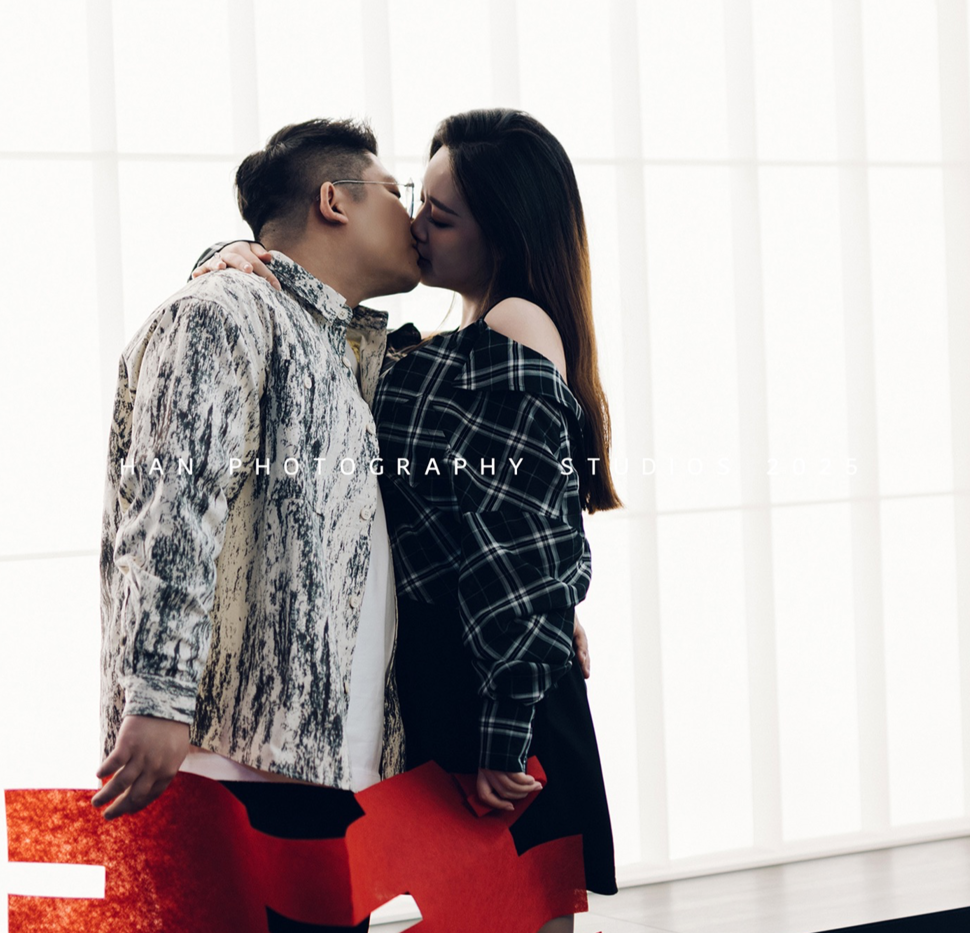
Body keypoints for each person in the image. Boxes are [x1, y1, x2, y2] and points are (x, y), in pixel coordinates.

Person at [195, 107, 622, 933]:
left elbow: (521, 550)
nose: (418, 225)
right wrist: (229, 255)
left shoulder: (516, 327)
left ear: (502, 232)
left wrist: (503, 735)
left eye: (442, 214)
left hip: (497, 708)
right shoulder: (446, 340)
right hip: (465, 687)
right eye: (419, 201)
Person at [94, 118, 421, 933]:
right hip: (230, 764)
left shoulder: (334, 346)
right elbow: (173, 511)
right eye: (397, 192)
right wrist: (159, 696)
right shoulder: (224, 309)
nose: (413, 214)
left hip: (319, 762)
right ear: (334, 201)